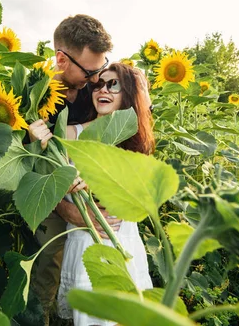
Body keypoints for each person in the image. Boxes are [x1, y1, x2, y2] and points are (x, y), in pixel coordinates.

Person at [31, 63, 155, 325]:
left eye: (114, 84)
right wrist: (35, 138)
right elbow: (42, 174)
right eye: (99, 83)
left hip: (124, 239)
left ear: (130, 94)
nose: (103, 89)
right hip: (87, 240)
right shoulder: (69, 134)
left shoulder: (133, 141)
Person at [30, 14, 121, 325]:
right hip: (49, 195)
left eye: (101, 67)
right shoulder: (34, 94)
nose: (97, 78)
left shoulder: (92, 89)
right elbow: (29, 170)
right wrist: (68, 212)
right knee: (49, 264)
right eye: (90, 71)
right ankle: (43, 317)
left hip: (93, 191)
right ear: (61, 59)